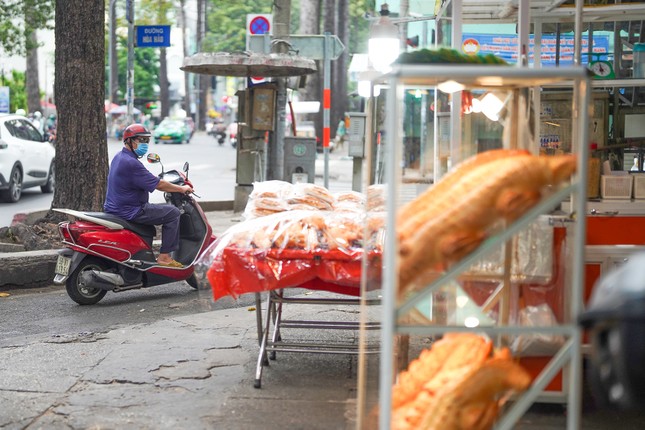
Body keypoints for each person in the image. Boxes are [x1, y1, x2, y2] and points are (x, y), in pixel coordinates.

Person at [103, 124, 193, 267]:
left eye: (146, 141)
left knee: (159, 210)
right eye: (140, 140)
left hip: (118, 207)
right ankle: (164, 258)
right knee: (173, 213)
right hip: (130, 210)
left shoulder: (119, 157)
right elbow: (159, 185)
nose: (144, 144)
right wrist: (181, 189)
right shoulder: (131, 163)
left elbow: (144, 180)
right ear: (129, 141)